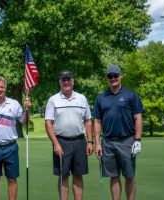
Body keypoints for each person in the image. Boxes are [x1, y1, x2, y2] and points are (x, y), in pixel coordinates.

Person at [93, 64, 144, 200]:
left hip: (127, 140)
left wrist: (137, 140)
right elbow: (97, 121)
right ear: (107, 78)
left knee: (129, 175)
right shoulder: (101, 97)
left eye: (115, 75)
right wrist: (97, 143)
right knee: (113, 176)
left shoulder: (130, 94)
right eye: (110, 76)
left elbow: (138, 118)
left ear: (120, 76)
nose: (113, 78)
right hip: (108, 142)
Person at [45, 70, 93, 200]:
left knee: (78, 175)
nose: (66, 82)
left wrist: (90, 141)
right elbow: (48, 123)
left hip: (79, 141)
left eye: (68, 79)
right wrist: (55, 144)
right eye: (63, 80)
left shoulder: (82, 98)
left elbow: (88, 120)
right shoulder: (53, 100)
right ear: (59, 82)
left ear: (73, 81)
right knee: (63, 176)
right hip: (61, 142)